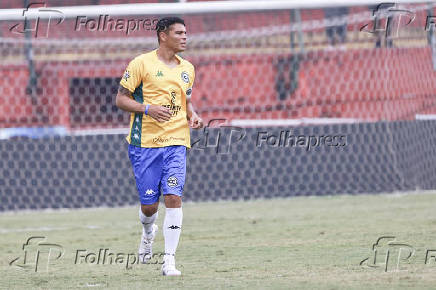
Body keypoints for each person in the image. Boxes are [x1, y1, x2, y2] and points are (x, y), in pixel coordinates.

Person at [115, 16, 203, 276]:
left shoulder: (188, 68)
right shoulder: (141, 64)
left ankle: (169, 262)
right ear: (163, 35)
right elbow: (120, 99)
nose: (185, 37)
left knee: (174, 197)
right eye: (179, 33)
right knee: (149, 206)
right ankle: (147, 232)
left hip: (176, 141)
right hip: (145, 144)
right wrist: (147, 108)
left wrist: (192, 114)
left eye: (186, 32)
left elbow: (185, 99)